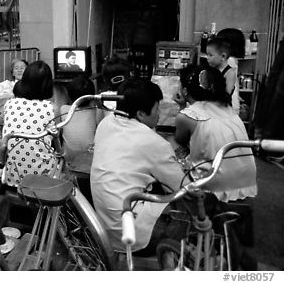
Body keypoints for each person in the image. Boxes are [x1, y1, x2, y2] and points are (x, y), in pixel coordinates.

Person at [90, 78, 187, 252]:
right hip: (133, 235)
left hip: (105, 229)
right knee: (189, 205)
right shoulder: (153, 142)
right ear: (141, 114)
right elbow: (182, 185)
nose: (159, 114)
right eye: (157, 108)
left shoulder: (106, 123)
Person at [173, 65, 257, 202]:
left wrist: (181, 106)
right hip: (246, 182)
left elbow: (180, 140)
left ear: (185, 91)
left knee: (171, 145)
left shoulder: (187, 115)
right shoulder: (227, 108)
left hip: (212, 185)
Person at [1, 60, 58, 187]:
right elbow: (57, 137)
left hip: (12, 175)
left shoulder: (10, 103)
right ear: (48, 84)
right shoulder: (51, 107)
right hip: (42, 176)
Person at [60, 76, 104, 160]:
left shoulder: (63, 109)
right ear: (91, 96)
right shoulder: (96, 111)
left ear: (69, 95)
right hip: (90, 159)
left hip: (68, 159)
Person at [206, 37, 240, 114]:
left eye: (210, 55)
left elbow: (226, 94)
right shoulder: (210, 70)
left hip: (223, 110)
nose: (207, 58)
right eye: (207, 54)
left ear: (223, 56)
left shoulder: (230, 73)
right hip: (210, 108)